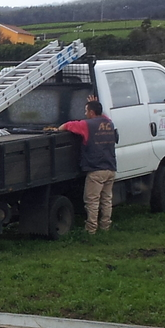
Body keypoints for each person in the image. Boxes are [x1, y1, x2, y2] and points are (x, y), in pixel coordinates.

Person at [50, 100, 117, 234]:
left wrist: (57, 130)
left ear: (92, 112)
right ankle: (105, 227)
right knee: (106, 200)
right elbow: (104, 117)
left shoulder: (87, 125)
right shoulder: (109, 123)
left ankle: (91, 230)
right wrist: (94, 104)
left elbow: (69, 125)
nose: (85, 113)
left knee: (92, 201)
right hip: (110, 168)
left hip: (96, 170)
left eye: (86, 111)